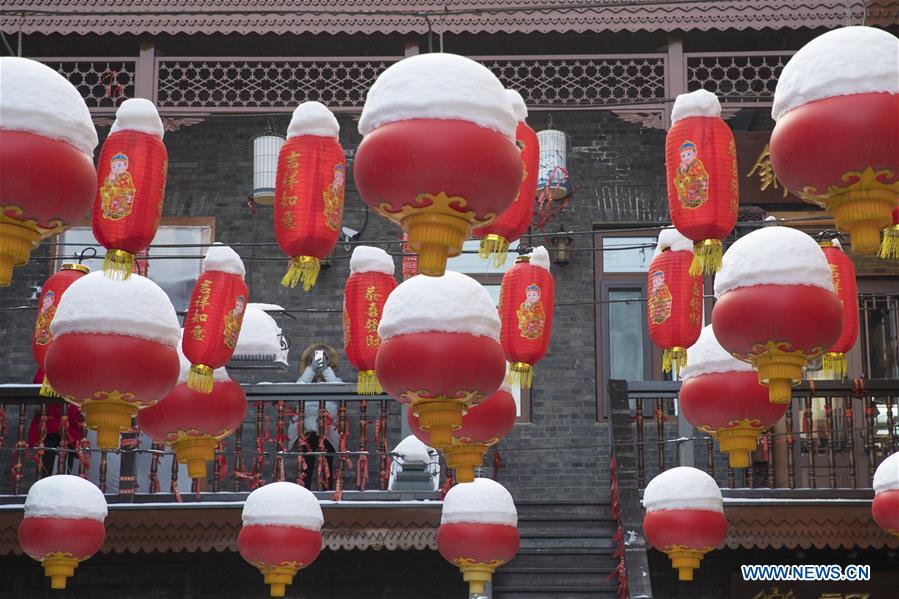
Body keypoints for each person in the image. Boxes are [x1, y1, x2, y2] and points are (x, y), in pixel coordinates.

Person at [292, 343, 341, 489]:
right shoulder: (304, 381)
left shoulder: (335, 381)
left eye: (323, 359)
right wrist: (311, 370)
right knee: (306, 467)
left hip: (327, 431)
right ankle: (304, 493)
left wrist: (326, 370)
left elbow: (338, 391)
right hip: (307, 430)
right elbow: (297, 390)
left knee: (327, 466)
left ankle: (326, 493)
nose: (319, 361)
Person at [27, 370, 83, 475]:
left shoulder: (46, 368)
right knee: (54, 471)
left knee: (51, 470)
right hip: (54, 428)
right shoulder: (47, 370)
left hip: (58, 427)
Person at [99, 152, 136, 220]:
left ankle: (120, 209)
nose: (116, 168)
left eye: (119, 165)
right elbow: (106, 185)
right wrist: (110, 180)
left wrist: (113, 182)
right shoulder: (111, 176)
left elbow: (122, 185)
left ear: (126, 166)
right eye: (113, 166)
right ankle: (107, 208)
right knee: (104, 191)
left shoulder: (126, 176)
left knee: (117, 196)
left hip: (124, 194)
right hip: (114, 194)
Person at [673, 140, 709, 209]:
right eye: (683, 156)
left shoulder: (696, 163)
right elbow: (680, 176)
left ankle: (695, 200)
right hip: (687, 185)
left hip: (697, 184)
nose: (686, 158)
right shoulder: (683, 166)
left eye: (689, 154)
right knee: (682, 188)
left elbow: (694, 175)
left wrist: (686, 178)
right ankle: (687, 201)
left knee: (691, 188)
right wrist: (681, 171)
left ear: (695, 154)